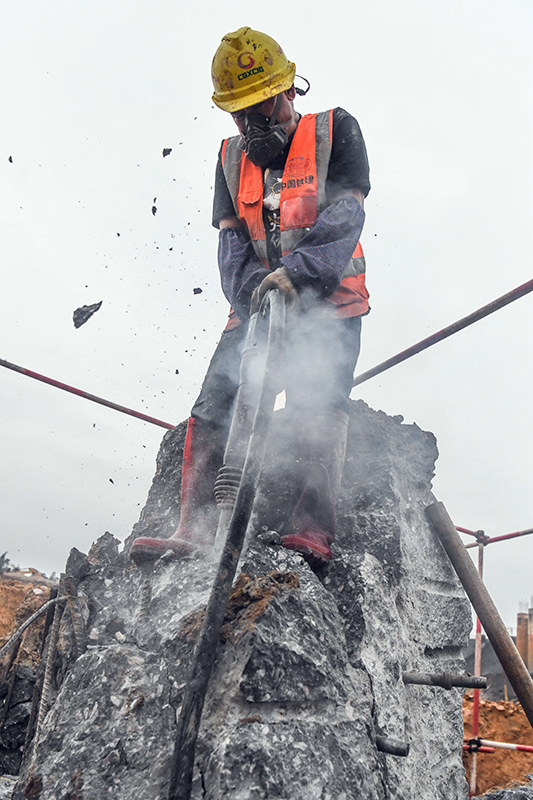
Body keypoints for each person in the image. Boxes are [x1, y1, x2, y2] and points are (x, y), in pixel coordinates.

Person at [130, 26, 370, 565]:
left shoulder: (336, 130)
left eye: (263, 110)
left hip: (331, 301)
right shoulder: (230, 158)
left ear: (290, 91)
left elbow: (346, 212)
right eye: (241, 116)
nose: (255, 127)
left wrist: (301, 275)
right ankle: (196, 526)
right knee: (214, 403)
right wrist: (250, 299)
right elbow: (231, 241)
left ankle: (312, 529)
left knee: (318, 401)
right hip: (256, 303)